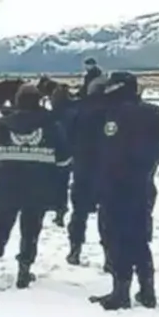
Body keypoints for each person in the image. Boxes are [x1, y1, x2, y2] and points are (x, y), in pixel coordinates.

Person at [0, 83, 70, 289]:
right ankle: (24, 270)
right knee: (31, 230)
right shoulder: (52, 124)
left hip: (7, 185)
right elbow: (64, 157)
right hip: (39, 187)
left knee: (1, 226)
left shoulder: (2, 124)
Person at [89, 72, 159, 310]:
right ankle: (147, 290)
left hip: (116, 186)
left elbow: (110, 151)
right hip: (143, 184)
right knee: (139, 237)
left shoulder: (112, 114)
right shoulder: (153, 112)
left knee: (117, 238)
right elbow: (156, 152)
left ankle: (121, 291)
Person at [66, 78, 110, 267]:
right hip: (108, 169)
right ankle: (109, 255)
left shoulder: (79, 110)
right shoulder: (114, 111)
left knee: (79, 213)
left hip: (83, 168)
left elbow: (68, 136)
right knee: (108, 214)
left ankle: (75, 249)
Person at [50, 87, 78, 228]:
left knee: (58, 183)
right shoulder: (74, 112)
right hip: (73, 151)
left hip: (56, 153)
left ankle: (59, 210)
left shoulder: (54, 115)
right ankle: (61, 211)